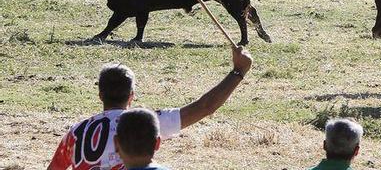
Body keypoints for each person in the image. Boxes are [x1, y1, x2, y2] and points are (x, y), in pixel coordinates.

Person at [48, 46, 252, 170]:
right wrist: (238, 72)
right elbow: (205, 106)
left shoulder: (75, 132)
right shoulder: (143, 124)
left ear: (100, 94)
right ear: (132, 96)